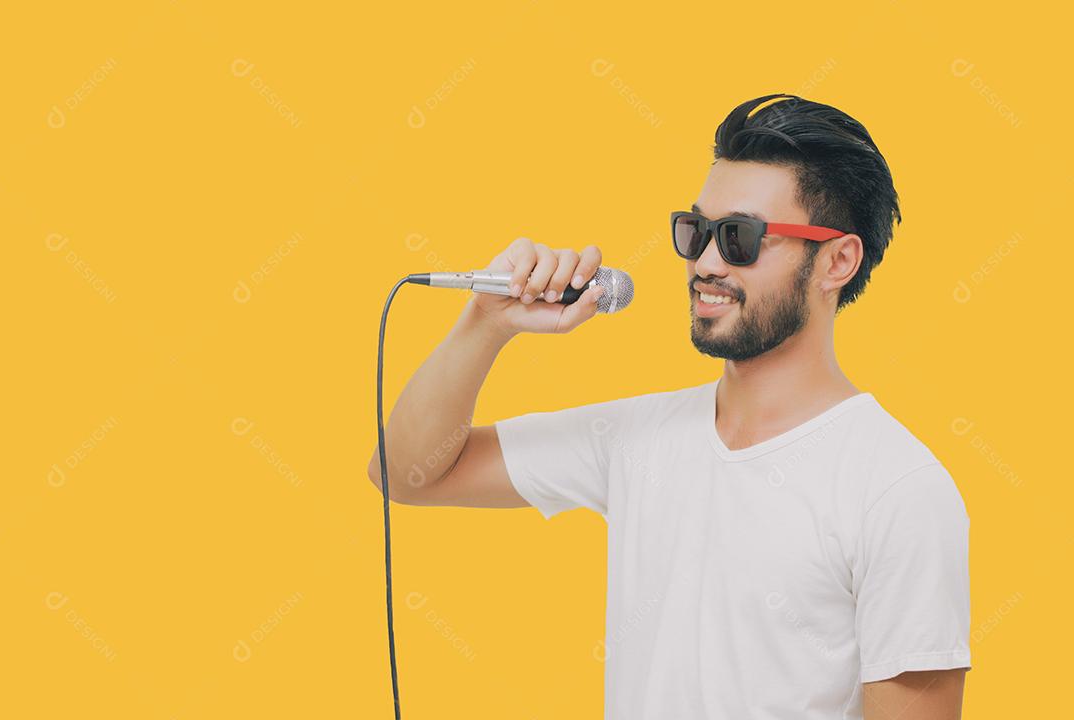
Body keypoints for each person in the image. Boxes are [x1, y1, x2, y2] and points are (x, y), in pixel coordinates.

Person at [368, 93, 971, 720]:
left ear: (837, 260)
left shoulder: (898, 488)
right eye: (697, 231)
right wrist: (485, 325)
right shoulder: (635, 438)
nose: (706, 263)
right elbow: (407, 472)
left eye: (739, 238)